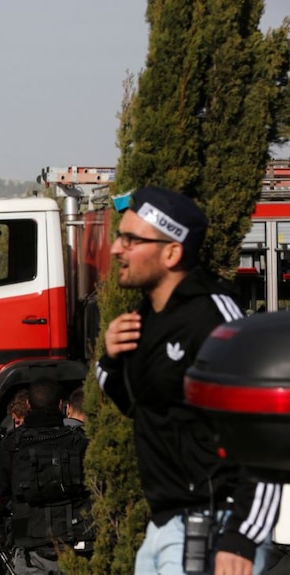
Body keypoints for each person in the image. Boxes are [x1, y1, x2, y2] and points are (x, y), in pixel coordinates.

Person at [96, 186, 279, 575]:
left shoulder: (217, 319)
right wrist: (110, 361)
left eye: (131, 239)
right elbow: (137, 405)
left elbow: (268, 435)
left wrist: (242, 536)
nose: (116, 249)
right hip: (163, 529)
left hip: (216, 527)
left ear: (172, 252)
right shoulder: (143, 318)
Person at [0, 378, 93, 574]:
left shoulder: (14, 443)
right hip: (75, 540)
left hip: (29, 545)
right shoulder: (79, 440)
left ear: (28, 405)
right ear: (62, 405)